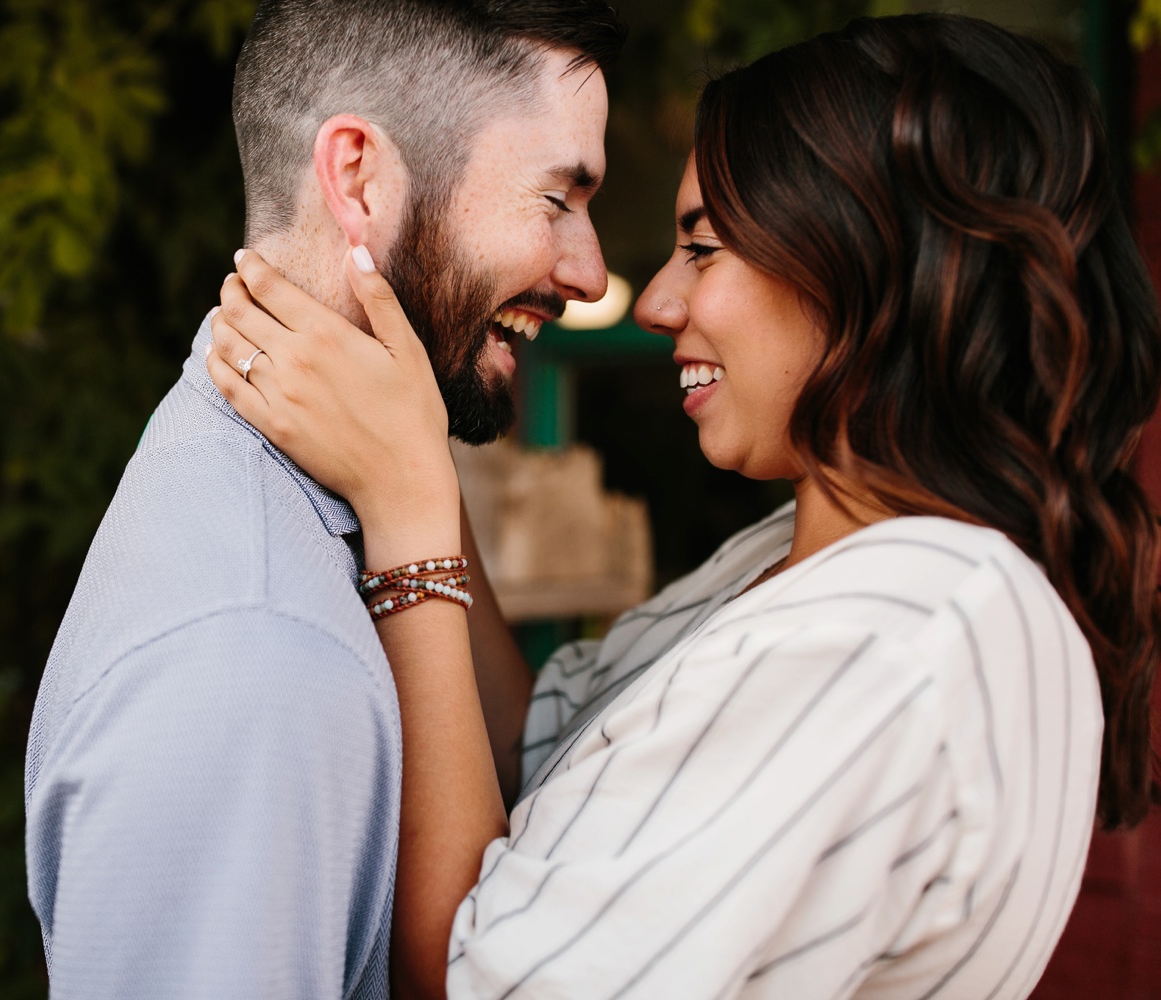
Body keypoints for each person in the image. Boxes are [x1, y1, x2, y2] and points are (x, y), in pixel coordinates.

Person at [206, 13, 1161, 999]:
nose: (658, 302)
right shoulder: (810, 556)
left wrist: (405, 520)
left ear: (875, 262)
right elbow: (531, 743)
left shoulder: (904, 633)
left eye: (703, 249)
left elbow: (475, 982)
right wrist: (419, 453)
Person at [23, 1, 625, 996]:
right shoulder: (255, 655)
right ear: (355, 176)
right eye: (557, 198)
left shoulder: (290, 491)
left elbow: (518, 771)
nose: (591, 271)